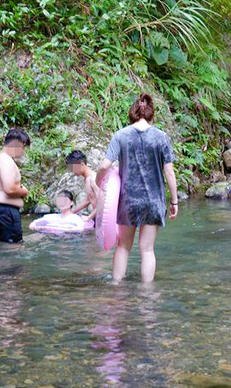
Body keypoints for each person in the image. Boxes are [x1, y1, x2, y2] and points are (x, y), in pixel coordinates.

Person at [96, 93, 179, 283]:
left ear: (132, 114)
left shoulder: (120, 136)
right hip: (153, 201)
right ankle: (146, 295)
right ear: (151, 115)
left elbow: (103, 166)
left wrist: (99, 182)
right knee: (147, 249)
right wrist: (174, 201)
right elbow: (170, 173)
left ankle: (116, 287)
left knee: (123, 246)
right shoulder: (161, 137)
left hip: (128, 200)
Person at [0, 128, 30, 243]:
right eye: (23, 147)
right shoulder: (6, 161)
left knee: (3, 245)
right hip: (5, 211)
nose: (23, 151)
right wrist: (24, 191)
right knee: (12, 248)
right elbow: (9, 189)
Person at [65, 150, 99, 222]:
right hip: (97, 218)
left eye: (73, 168)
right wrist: (72, 212)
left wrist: (89, 217)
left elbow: (103, 202)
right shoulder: (87, 179)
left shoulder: (93, 179)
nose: (72, 171)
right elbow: (89, 199)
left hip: (103, 220)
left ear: (82, 164)